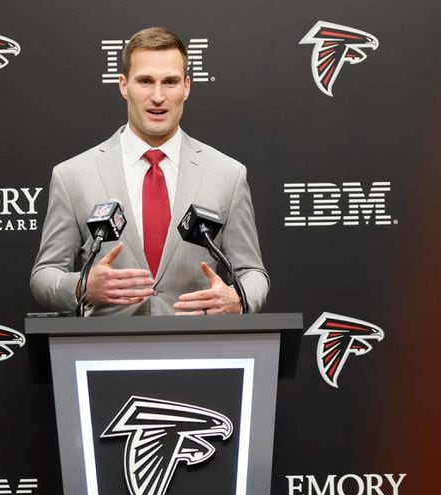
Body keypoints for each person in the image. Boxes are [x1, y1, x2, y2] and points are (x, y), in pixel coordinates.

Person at [30, 27, 269, 316]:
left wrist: (238, 299)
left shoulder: (227, 175)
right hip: (105, 353)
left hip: (199, 351)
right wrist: (83, 287)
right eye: (145, 81)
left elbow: (253, 272)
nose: (158, 96)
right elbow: (44, 275)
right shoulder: (74, 175)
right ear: (123, 85)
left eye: (170, 82)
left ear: (187, 87)